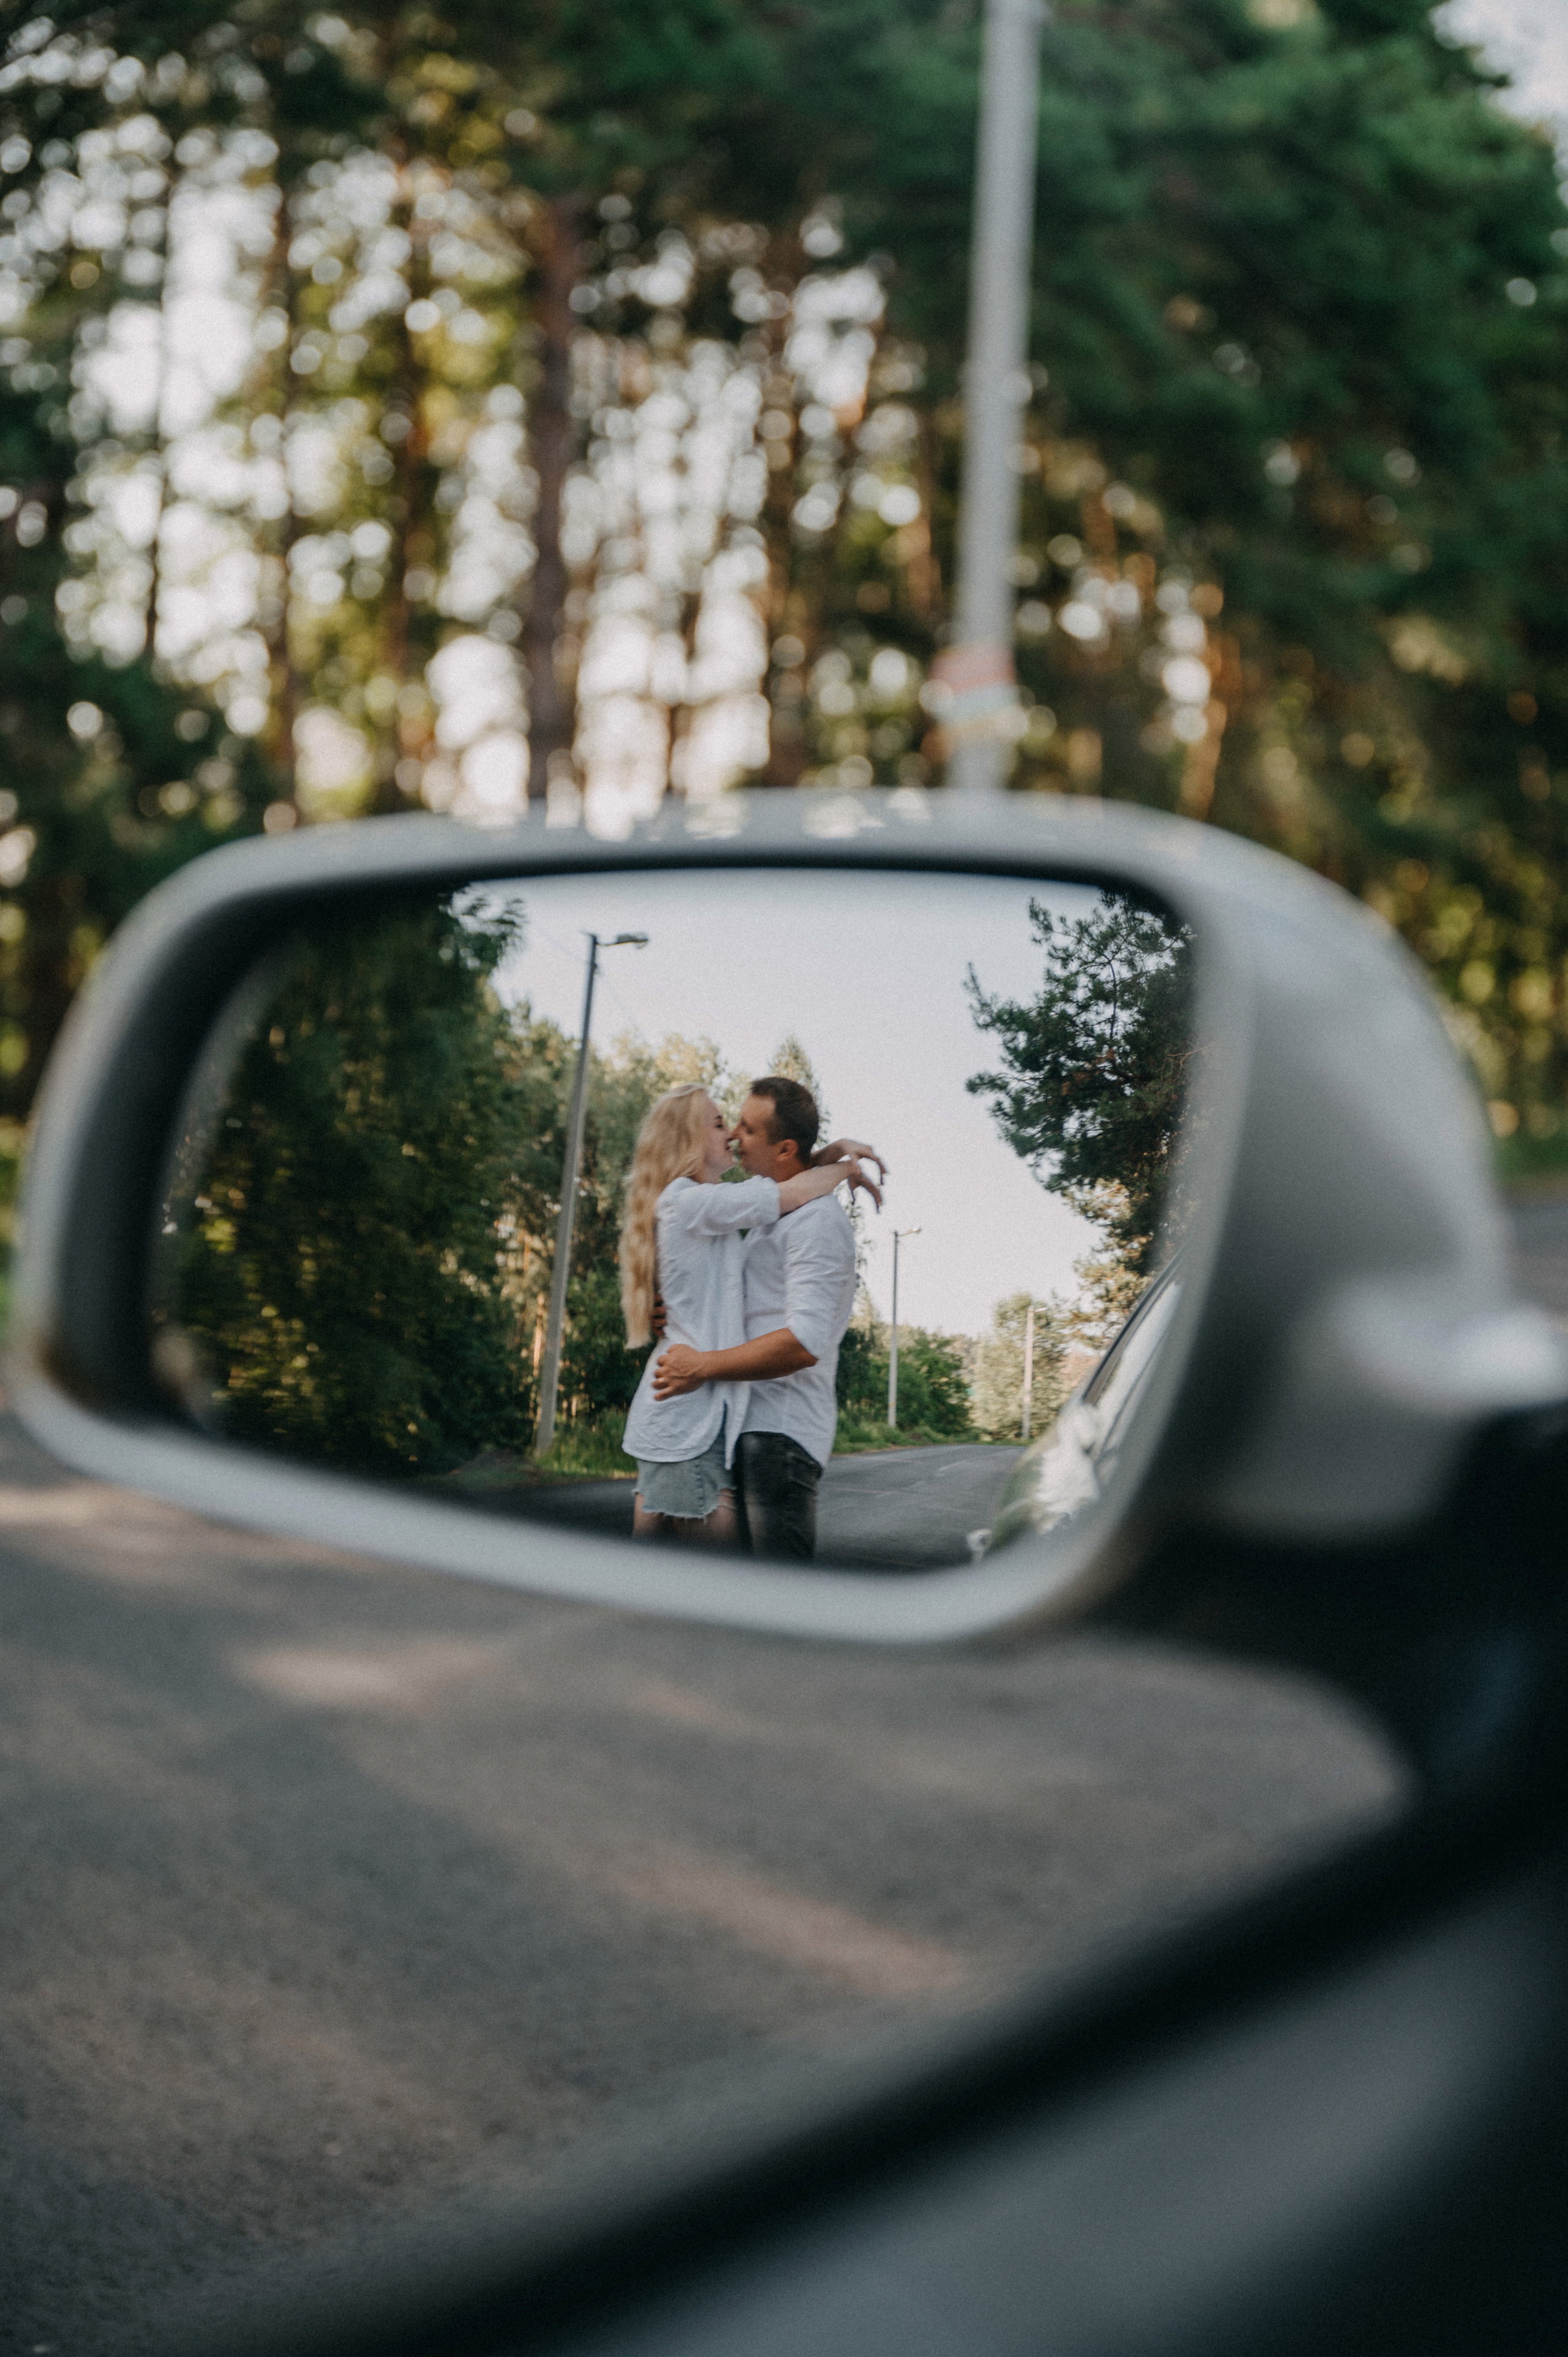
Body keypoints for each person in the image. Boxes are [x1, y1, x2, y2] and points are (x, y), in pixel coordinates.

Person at [619, 1084, 878, 1547]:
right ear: (688, 1141)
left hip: (725, 1423)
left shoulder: (744, 1212)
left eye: (742, 1126)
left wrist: (831, 1158)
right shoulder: (695, 1202)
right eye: (723, 1123)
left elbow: (786, 1189)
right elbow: (785, 1189)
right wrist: (840, 1164)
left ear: (785, 1147)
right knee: (703, 1582)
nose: (735, 1134)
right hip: (686, 1419)